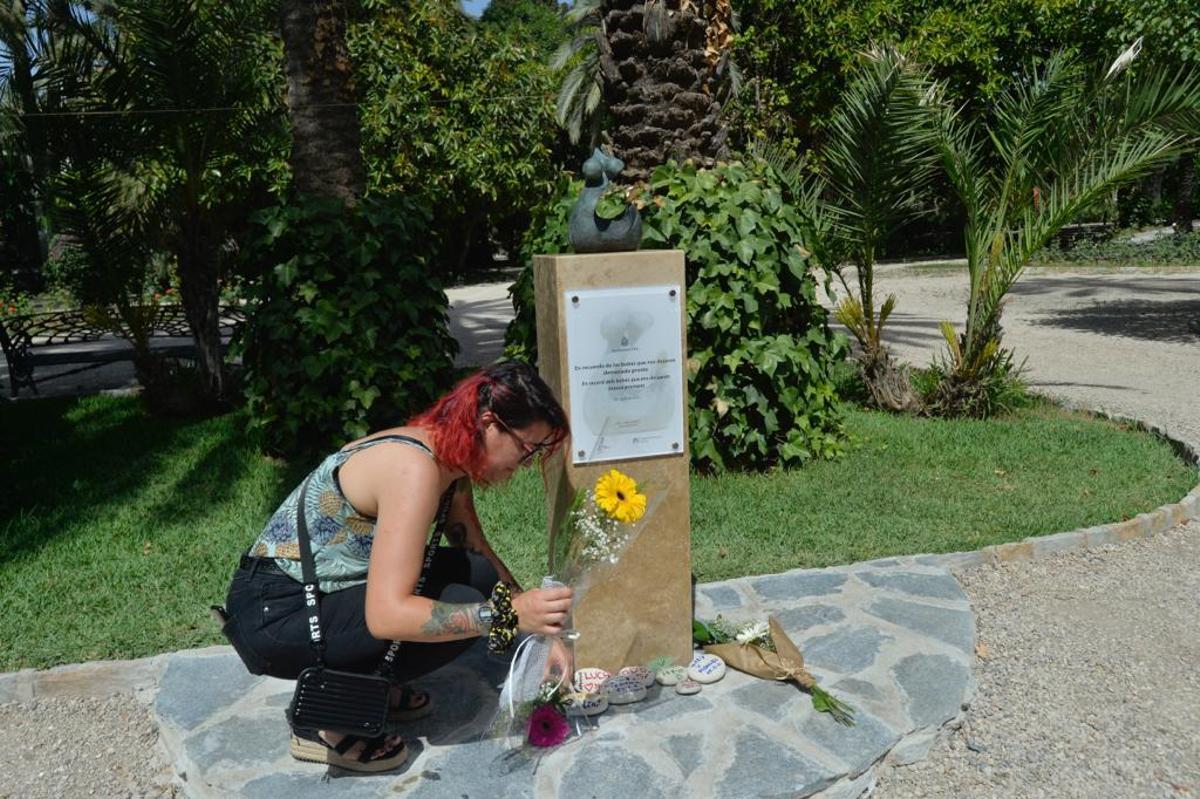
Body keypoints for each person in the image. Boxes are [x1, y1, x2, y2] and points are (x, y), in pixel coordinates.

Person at [220, 362, 574, 772]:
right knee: (463, 606)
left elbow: (473, 548)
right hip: (274, 615)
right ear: (489, 423)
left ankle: (369, 681)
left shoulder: (448, 454)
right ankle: (325, 720)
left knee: (475, 575)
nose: (526, 463)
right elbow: (387, 615)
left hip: (311, 596)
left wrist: (541, 633)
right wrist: (505, 617)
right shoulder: (413, 469)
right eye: (527, 448)